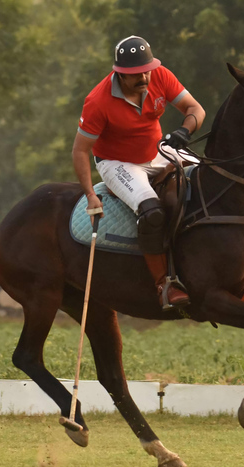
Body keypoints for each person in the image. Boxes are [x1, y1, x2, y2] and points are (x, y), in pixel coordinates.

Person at [72, 35, 205, 309]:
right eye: (134, 75)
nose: (143, 78)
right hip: (117, 162)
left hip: (157, 150)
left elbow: (195, 108)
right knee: (152, 211)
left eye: (146, 70)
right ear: (119, 72)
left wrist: (184, 131)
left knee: (209, 180)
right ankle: (164, 285)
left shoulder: (160, 76)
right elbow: (80, 150)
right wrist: (89, 195)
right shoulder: (98, 101)